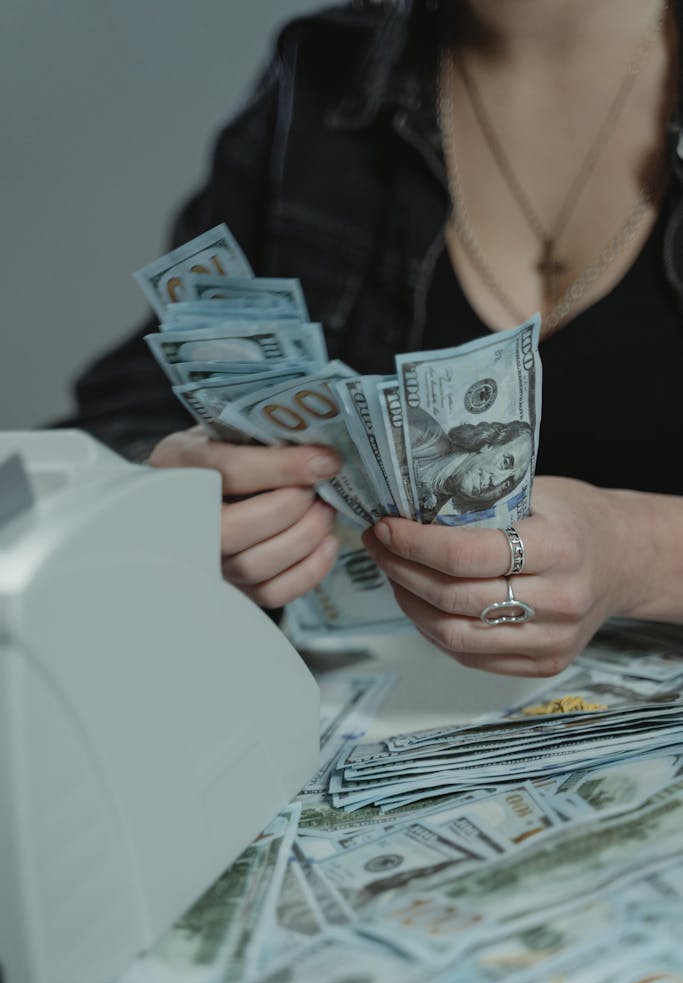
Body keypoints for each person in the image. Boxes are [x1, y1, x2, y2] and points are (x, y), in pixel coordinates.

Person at [59, 0, 683, 678]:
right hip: (380, 726)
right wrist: (175, 498)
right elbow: (137, 407)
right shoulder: (323, 67)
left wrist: (640, 552)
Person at [407, 406, 534, 521]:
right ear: (488, 445)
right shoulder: (423, 433)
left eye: (507, 484)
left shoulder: (433, 515)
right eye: (505, 462)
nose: (495, 482)